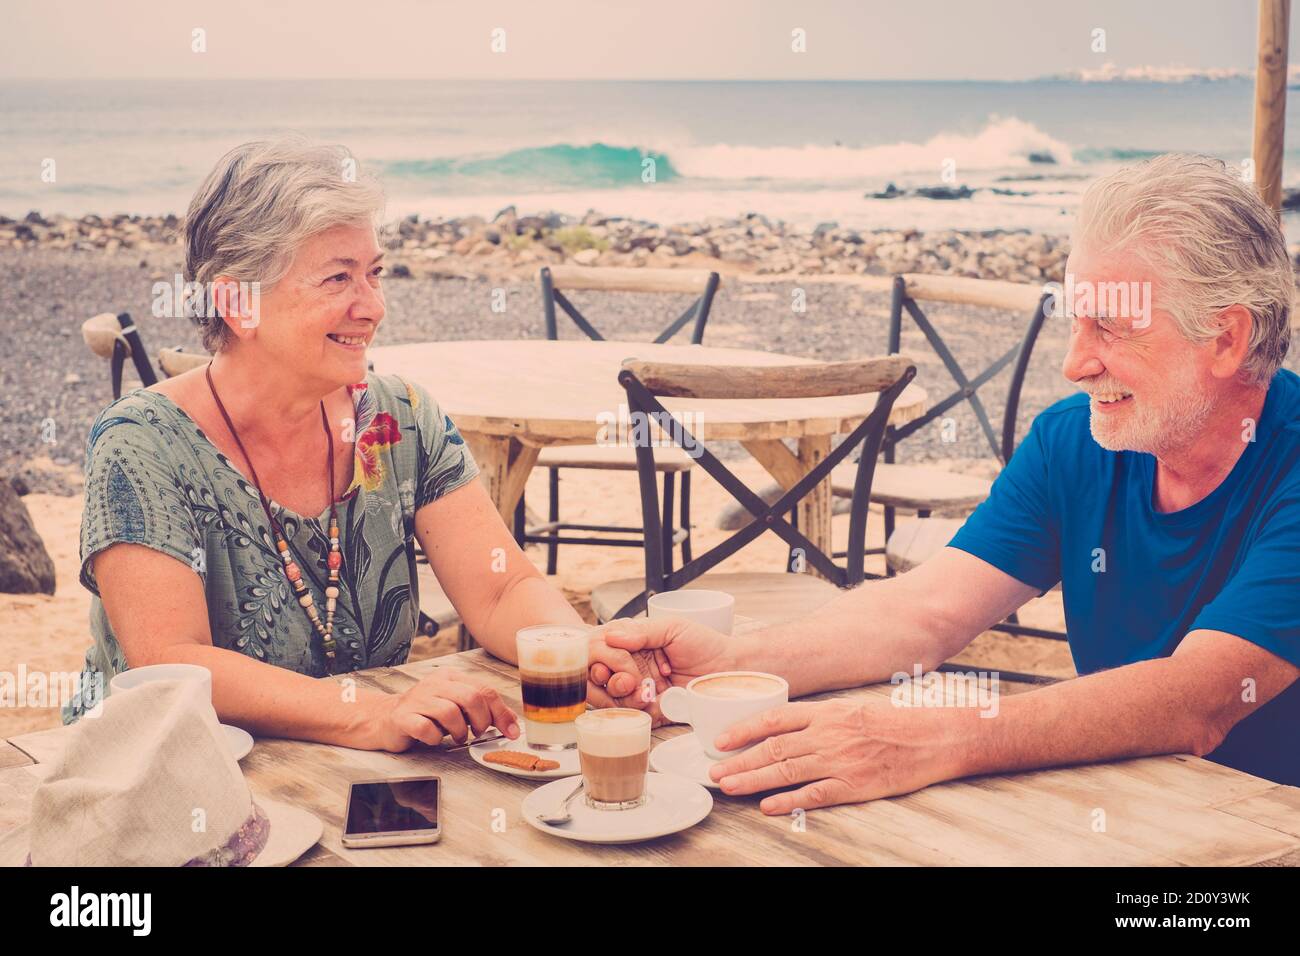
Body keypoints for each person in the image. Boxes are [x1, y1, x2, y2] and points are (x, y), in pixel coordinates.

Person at [594, 154, 1300, 812]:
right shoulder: (1072, 441)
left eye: (1111, 329)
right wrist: (733, 663)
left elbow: (1198, 700)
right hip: (1132, 812)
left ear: (1227, 339)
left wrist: (933, 736)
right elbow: (923, 611)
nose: (1076, 364)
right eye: (1076, 325)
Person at [69, 137, 645, 751]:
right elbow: (173, 662)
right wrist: (373, 714)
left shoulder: (399, 419)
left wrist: (574, 650)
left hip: (349, 774)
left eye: (374, 273)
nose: (372, 307)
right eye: (338, 277)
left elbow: (501, 588)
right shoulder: (142, 445)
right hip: (169, 786)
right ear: (237, 302)